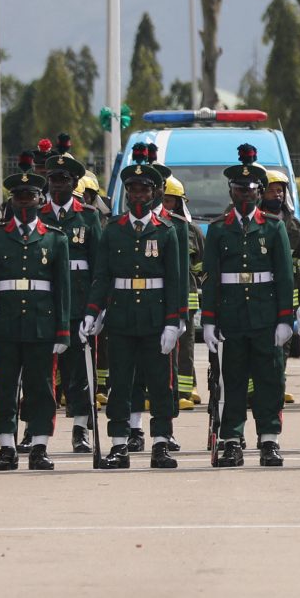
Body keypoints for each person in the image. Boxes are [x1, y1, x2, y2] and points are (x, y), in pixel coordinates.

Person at [0, 155, 72, 470]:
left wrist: (63, 330)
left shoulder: (55, 238)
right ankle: (6, 448)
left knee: (41, 387)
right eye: (19, 196)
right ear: (12, 201)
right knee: (4, 387)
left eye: (31, 196)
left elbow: (62, 288)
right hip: (6, 324)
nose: (25, 201)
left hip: (42, 324)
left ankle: (39, 446)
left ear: (41, 200)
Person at [83, 156, 186, 469]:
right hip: (122, 316)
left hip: (155, 317)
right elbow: (102, 275)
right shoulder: (113, 230)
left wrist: (174, 321)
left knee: (160, 384)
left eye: (144, 190)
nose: (138, 195)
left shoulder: (167, 231)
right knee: (120, 384)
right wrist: (92, 311)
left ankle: (160, 443)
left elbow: (175, 280)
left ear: (154, 193)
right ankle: (119, 444)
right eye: (133, 190)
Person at [200, 143, 298, 468]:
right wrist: (209, 320)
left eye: (251, 189)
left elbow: (285, 276)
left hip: (265, 316)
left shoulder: (274, 227)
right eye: (240, 189)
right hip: (231, 318)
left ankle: (269, 440)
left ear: (259, 192)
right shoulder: (218, 229)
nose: (245, 194)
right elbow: (211, 277)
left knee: (269, 380)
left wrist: (285, 319)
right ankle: (231, 440)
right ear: (231, 191)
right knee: (232, 381)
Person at [39, 139, 103, 451]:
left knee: (79, 371)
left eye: (64, 180)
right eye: (53, 179)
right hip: (44, 304)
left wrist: (96, 307)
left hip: (78, 304)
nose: (57, 185)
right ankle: (35, 429)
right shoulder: (38, 215)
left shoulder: (88, 217)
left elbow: (99, 266)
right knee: (40, 371)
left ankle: (80, 428)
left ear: (75, 184)